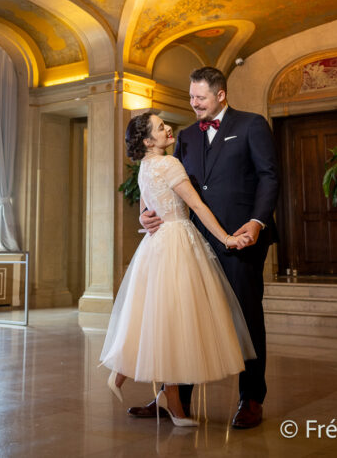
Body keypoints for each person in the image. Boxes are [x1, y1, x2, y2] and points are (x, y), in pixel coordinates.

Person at [128, 66, 278, 429]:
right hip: (193, 241)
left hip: (241, 237)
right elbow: (170, 189)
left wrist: (257, 222)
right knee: (184, 318)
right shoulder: (184, 137)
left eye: (200, 98)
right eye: (192, 97)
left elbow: (268, 177)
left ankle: (251, 398)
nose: (193, 103)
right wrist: (145, 217)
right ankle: (175, 397)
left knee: (246, 314)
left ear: (221, 94)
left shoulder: (252, 124)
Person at [99, 112, 256, 427]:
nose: (168, 128)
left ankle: (157, 394)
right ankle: (156, 394)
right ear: (148, 141)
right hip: (178, 240)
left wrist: (145, 216)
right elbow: (197, 205)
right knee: (173, 320)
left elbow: (147, 208)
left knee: (160, 319)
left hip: (156, 245)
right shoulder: (169, 164)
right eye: (160, 127)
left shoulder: (144, 167)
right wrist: (226, 237)